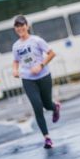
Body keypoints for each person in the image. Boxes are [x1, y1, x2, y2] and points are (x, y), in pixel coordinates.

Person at [12, 15, 60, 149]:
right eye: (17, 26)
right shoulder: (16, 46)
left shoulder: (36, 40)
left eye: (22, 25)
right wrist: (15, 71)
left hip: (44, 76)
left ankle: (55, 107)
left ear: (27, 26)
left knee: (47, 104)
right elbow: (15, 61)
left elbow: (51, 53)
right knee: (37, 107)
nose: (20, 28)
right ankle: (47, 138)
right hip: (28, 79)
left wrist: (41, 65)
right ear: (15, 29)